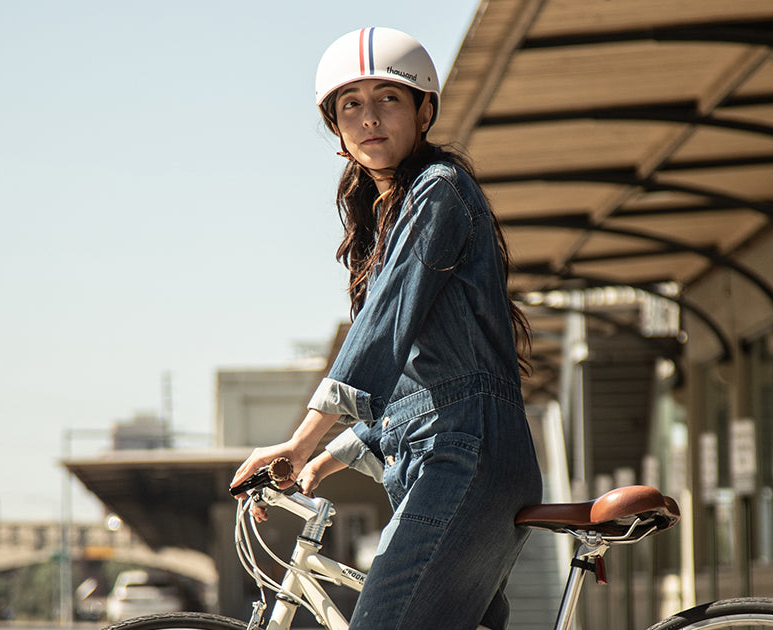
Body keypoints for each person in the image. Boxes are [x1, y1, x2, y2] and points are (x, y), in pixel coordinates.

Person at [231, 26, 542, 630]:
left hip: (465, 454)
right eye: (351, 105)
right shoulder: (389, 216)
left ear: (425, 111)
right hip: (451, 453)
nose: (369, 118)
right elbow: (416, 384)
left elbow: (383, 329)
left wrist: (300, 441)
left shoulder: (439, 192)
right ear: (336, 128)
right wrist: (330, 457)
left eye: (389, 99)